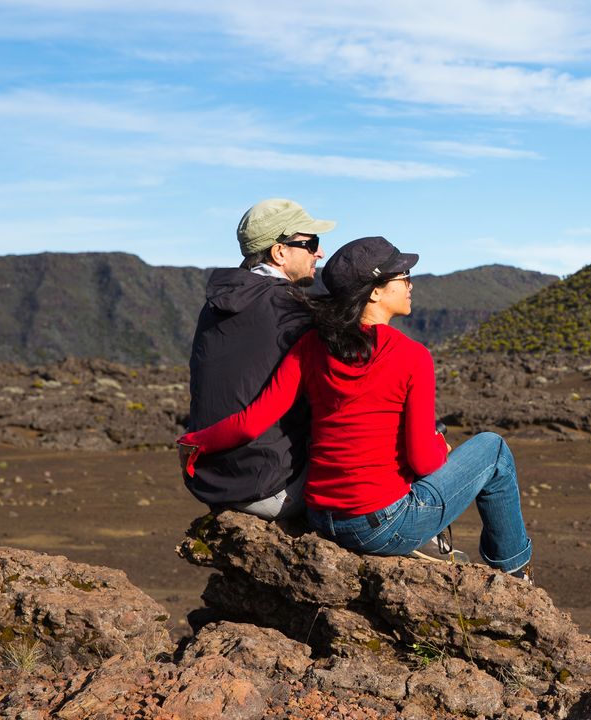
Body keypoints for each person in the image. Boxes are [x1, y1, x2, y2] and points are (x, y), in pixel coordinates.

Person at [178, 236, 533, 577]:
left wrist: (196, 442)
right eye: (403, 276)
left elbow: (253, 420)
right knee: (493, 448)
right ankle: (515, 568)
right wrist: (439, 445)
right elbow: (425, 461)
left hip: (322, 517)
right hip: (381, 524)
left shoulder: (311, 346)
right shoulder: (412, 356)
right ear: (376, 291)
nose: (410, 284)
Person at [184, 198, 333, 519]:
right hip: (269, 484)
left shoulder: (215, 306)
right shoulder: (290, 309)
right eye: (311, 244)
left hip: (210, 479)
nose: (319, 253)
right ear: (279, 252)